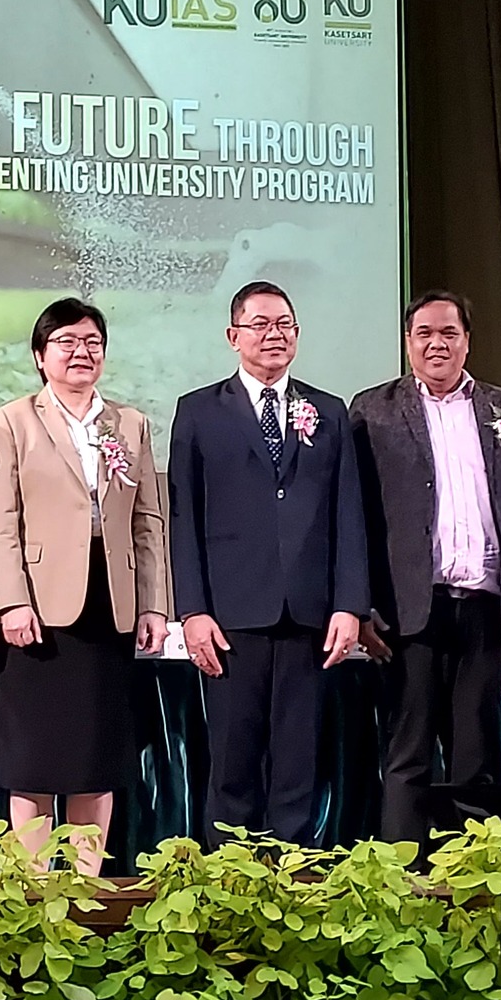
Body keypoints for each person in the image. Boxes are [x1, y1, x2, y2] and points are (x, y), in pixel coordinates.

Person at [168, 280, 371, 847]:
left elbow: (348, 514)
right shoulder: (198, 411)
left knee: (298, 760)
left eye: (284, 324)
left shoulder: (327, 411)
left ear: (298, 335)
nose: (273, 334)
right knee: (233, 759)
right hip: (231, 615)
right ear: (233, 336)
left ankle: (294, 871)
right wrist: (193, 611)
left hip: (309, 614)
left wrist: (350, 605)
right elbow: (183, 519)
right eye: (259, 324)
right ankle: (228, 875)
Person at [349, 290, 501, 851]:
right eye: (425, 334)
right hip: (407, 612)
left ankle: (473, 875)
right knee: (408, 754)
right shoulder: (373, 410)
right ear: (408, 342)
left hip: (486, 610)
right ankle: (401, 876)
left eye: (449, 333)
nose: (437, 344)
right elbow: (353, 517)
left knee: (476, 755)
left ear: (467, 341)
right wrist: (360, 606)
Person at [0, 298, 170, 872]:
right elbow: (0, 521)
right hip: (38, 608)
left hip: (109, 604)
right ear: (41, 356)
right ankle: (34, 885)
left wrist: (154, 605)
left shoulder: (129, 423)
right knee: (34, 759)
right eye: (65, 341)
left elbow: (148, 520)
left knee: (97, 757)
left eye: (91, 342)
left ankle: (85, 887)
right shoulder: (14, 420)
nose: (80, 352)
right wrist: (11, 602)